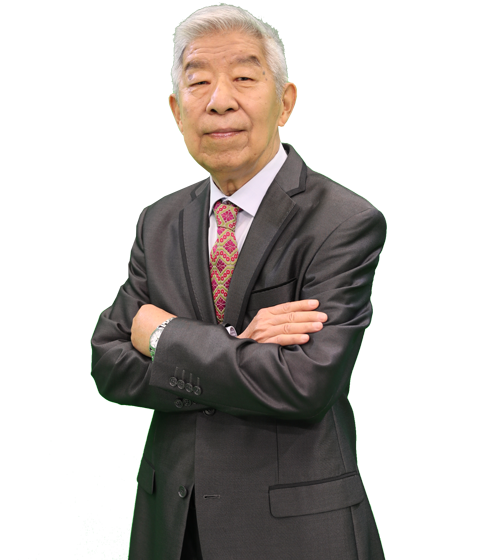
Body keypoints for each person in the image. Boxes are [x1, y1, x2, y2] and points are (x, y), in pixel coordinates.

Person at [91, 5, 386, 560]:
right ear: (177, 111)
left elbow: (305, 384)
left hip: (294, 533)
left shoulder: (343, 222)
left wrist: (164, 337)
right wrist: (246, 351)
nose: (219, 100)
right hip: (171, 527)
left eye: (245, 78)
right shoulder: (159, 222)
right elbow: (109, 362)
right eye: (198, 82)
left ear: (285, 102)